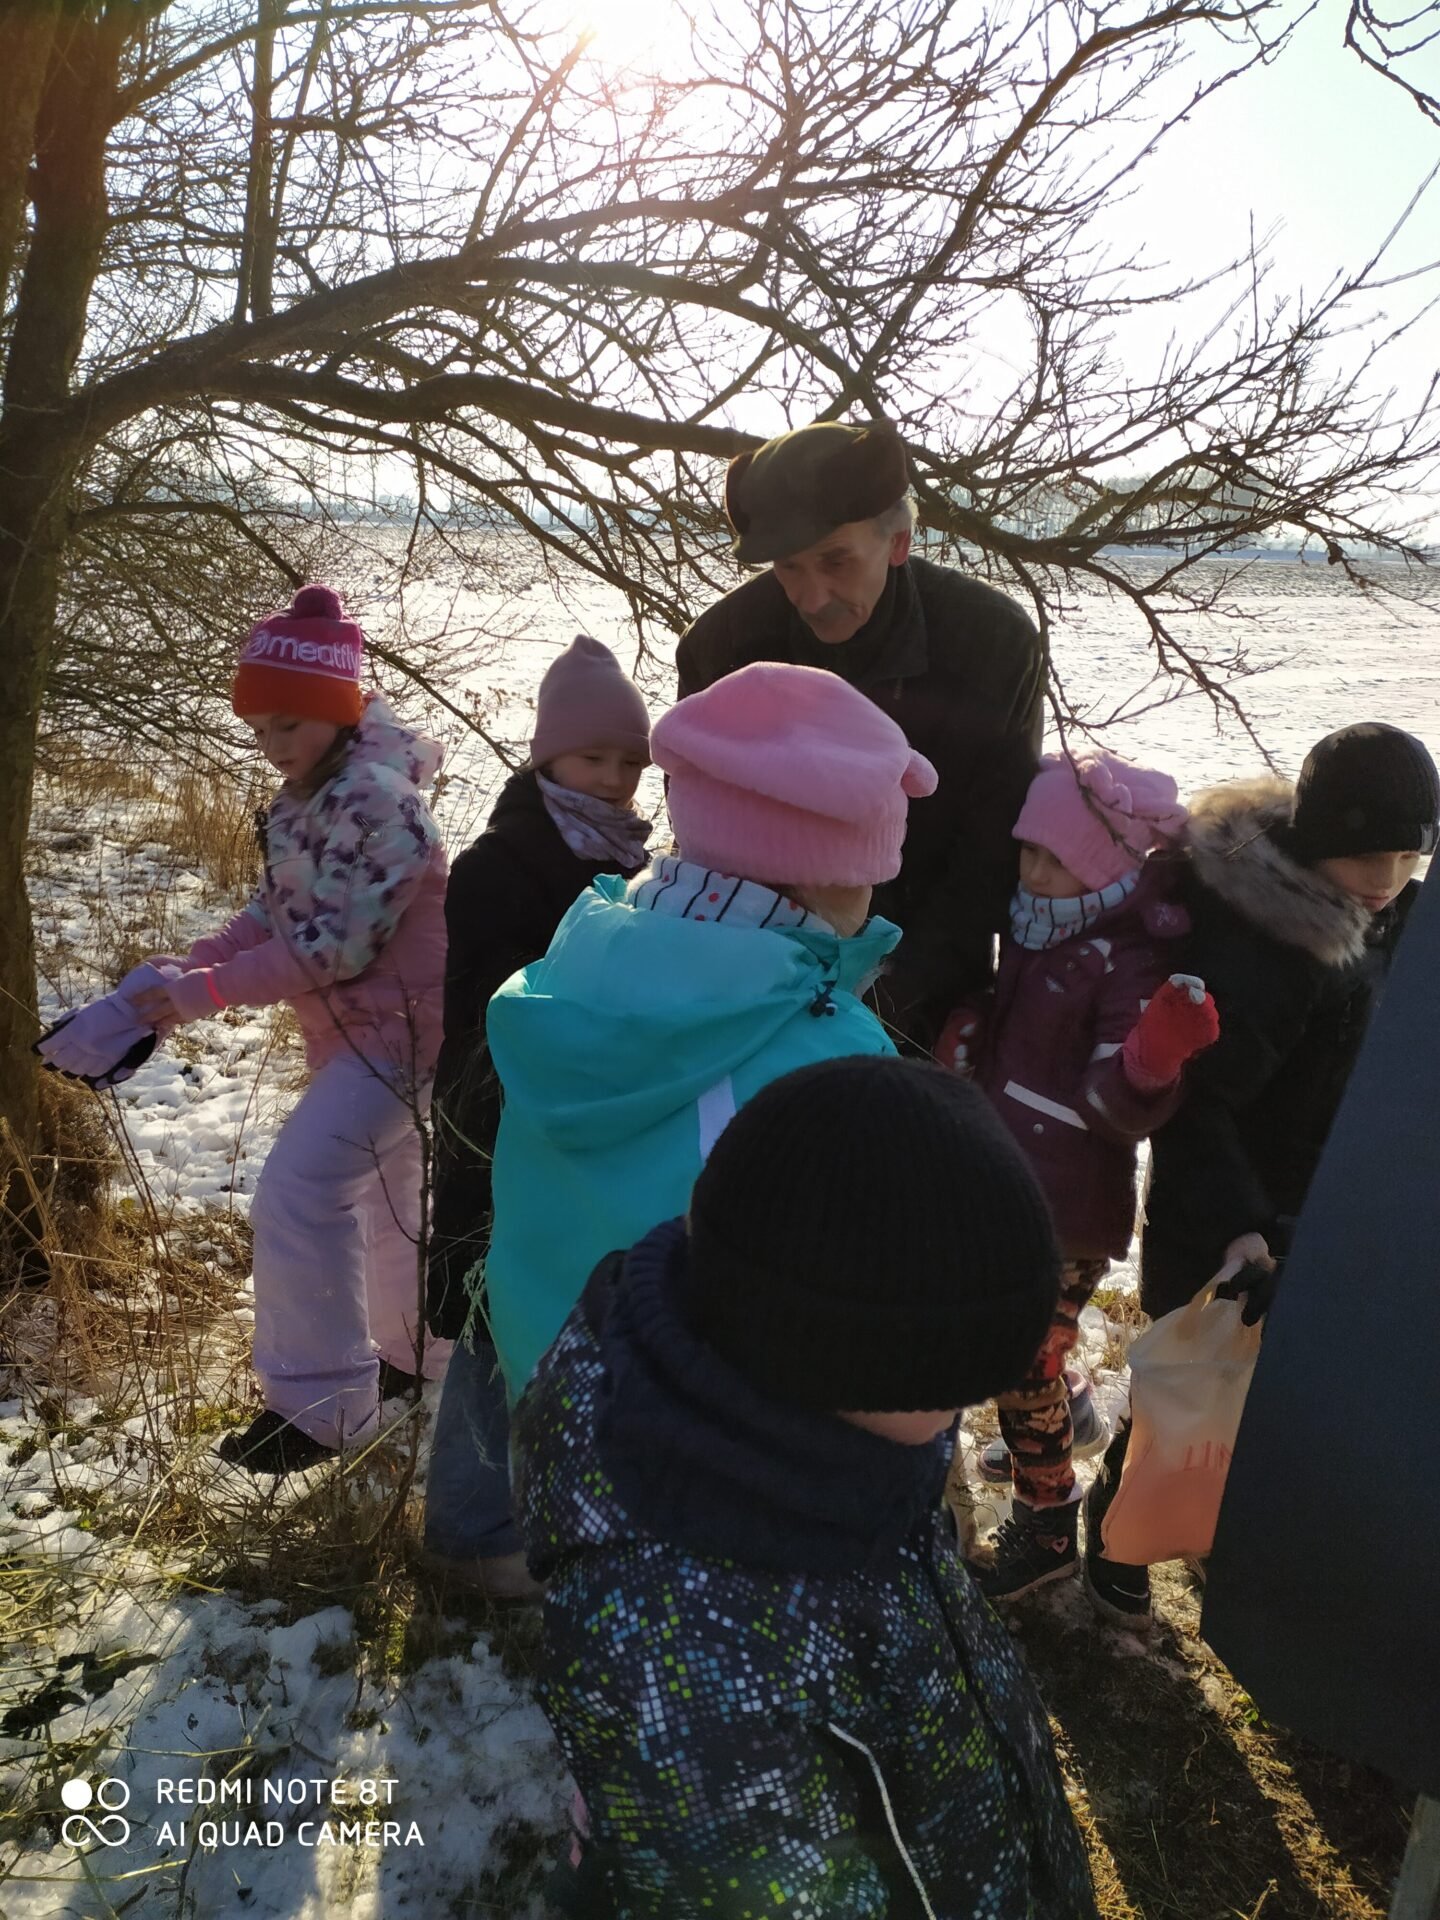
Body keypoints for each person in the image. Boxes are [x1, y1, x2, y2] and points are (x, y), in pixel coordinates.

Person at [512, 1054, 1099, 1919]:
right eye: (952, 1386)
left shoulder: (844, 1456)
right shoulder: (686, 1665)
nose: (963, 1412)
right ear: (834, 1364)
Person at [478, 659, 937, 1401]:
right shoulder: (829, 1056)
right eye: (870, 874)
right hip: (705, 1437)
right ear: (827, 875)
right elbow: (871, 1291)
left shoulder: (570, 974)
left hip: (549, 1397)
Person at [1085, 722, 1440, 1625]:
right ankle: (1117, 1530)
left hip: (1324, 1201)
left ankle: (1228, 1534)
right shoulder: (1261, 950)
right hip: (1228, 1217)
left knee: (1272, 1398)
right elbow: (1197, 1106)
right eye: (1369, 856)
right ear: (1317, 841)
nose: (1389, 876)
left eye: (1409, 855)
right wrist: (1237, 1226)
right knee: (1187, 1387)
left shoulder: (1388, 911)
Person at [128, 585, 450, 1476]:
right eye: (260, 729)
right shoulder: (306, 799)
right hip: (361, 1037)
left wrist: (205, 994)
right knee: (390, 1203)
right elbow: (276, 913)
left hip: (404, 1037)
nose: (272, 745)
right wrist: (193, 963)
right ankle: (416, 1360)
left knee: (301, 1193)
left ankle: (320, 1410)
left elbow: (335, 946)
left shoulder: (381, 802)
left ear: (340, 710)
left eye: (288, 725)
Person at [936, 752, 1218, 1602]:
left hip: (1068, 1205)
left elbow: (1114, 1107)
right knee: (1023, 1347)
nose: (1032, 871)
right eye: (1027, 850)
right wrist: (973, 1028)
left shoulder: (1126, 959)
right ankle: (1071, 1407)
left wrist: (1150, 1060)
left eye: (1054, 858)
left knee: (1020, 1362)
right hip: (1009, 1181)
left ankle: (1049, 1520)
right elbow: (1024, 1034)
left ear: (1101, 866)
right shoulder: (1041, 923)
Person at [676, 418, 1043, 1049]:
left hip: (932, 981)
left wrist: (893, 1006)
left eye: (836, 561)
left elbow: (989, 855)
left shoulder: (994, 645)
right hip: (755, 979)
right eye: (789, 568)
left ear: (898, 541)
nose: (812, 596)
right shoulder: (722, 649)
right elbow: (706, 842)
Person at [423, 635, 651, 1601]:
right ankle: (467, 1533)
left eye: (631, 764)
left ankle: (540, 1504)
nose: (615, 780)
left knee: (558, 1305)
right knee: (492, 1307)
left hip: (568, 1115)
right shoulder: (499, 865)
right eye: (594, 758)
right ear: (548, 756)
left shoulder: (626, 862)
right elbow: (502, 1005)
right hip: (498, 1116)